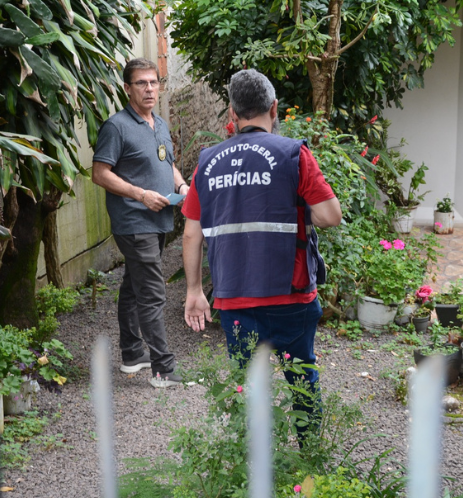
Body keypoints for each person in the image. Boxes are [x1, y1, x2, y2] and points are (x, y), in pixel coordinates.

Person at [181, 69, 342, 425]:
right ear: (274, 108)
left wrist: (194, 291)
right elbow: (330, 216)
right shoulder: (293, 154)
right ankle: (309, 454)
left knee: (246, 386)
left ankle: (251, 454)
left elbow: (192, 234)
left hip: (234, 297)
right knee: (302, 380)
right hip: (291, 296)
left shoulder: (207, 162)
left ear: (232, 114)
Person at [92, 58, 188, 388]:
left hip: (159, 218)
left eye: (153, 82)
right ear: (127, 88)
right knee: (152, 292)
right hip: (134, 220)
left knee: (134, 286)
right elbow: (100, 173)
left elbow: (168, 163)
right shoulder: (116, 127)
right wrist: (141, 194)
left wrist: (182, 187)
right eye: (141, 83)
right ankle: (163, 369)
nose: (149, 89)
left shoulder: (159, 123)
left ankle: (133, 354)